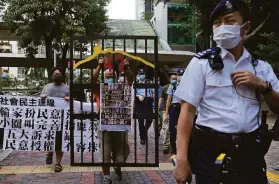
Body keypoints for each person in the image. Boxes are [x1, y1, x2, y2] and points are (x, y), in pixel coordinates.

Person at [173, 0, 279, 183]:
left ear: (245, 28)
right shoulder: (201, 63)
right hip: (211, 155)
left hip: (250, 156)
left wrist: (263, 86)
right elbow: (187, 112)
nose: (222, 27)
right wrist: (182, 159)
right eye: (217, 22)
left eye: (229, 21)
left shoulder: (261, 68)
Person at [95, 57, 133, 184]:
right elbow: (92, 80)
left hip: (120, 124)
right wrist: (99, 66)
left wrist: (127, 68)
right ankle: (106, 176)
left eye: (112, 75)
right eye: (107, 75)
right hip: (105, 126)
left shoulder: (122, 87)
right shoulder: (99, 88)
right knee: (105, 152)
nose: (109, 76)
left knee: (122, 151)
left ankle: (117, 165)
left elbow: (131, 80)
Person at [41, 67, 69, 172]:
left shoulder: (67, 88)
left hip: (61, 119)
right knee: (49, 138)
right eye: (55, 73)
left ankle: (58, 163)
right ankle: (49, 152)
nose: (57, 75)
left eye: (59, 73)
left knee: (59, 141)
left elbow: (72, 102)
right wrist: (42, 97)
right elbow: (40, 100)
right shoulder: (47, 87)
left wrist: (69, 99)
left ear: (62, 76)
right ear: (52, 76)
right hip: (48, 118)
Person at [164, 69, 184, 156]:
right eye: (179, 75)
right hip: (174, 108)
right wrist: (166, 113)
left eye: (182, 74)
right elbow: (168, 99)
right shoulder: (173, 85)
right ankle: (174, 150)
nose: (181, 76)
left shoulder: (188, 85)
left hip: (183, 108)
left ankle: (183, 151)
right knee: (172, 130)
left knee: (183, 130)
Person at [135, 68, 155, 145]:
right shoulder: (136, 83)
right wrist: (138, 96)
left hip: (149, 101)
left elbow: (153, 92)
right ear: (138, 75)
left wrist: (153, 103)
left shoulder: (149, 82)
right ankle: (142, 138)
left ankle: (144, 131)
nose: (142, 75)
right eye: (140, 74)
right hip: (140, 102)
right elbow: (133, 92)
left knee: (150, 119)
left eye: (143, 74)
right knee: (140, 120)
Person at [160, 74, 177, 154]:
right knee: (166, 129)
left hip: (176, 110)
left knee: (174, 130)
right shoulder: (166, 87)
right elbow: (164, 99)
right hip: (167, 110)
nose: (174, 80)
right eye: (173, 78)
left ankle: (174, 146)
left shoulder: (180, 86)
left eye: (175, 78)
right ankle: (166, 146)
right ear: (170, 79)